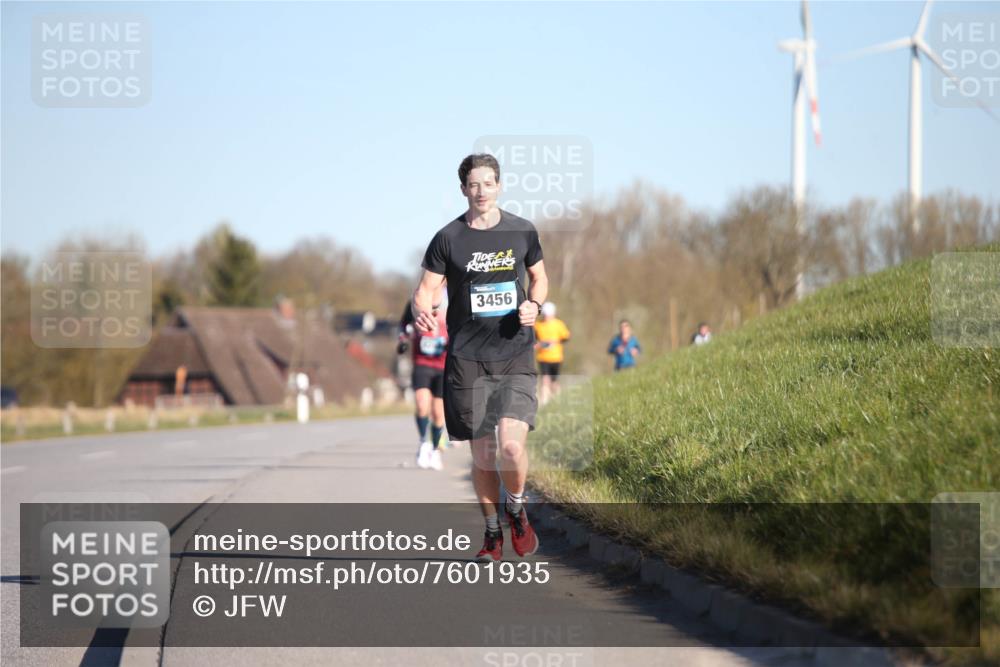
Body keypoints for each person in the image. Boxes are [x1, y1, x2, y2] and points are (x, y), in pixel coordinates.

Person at [412, 153, 547, 562]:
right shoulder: (448, 238)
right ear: (463, 189)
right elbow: (426, 289)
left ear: (499, 185)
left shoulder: (522, 231)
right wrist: (422, 306)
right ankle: (492, 532)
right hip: (467, 360)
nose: (481, 191)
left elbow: (539, 277)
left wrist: (535, 306)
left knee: (510, 448)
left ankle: (517, 508)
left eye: (488, 183)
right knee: (484, 454)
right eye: (474, 184)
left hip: (514, 354)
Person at [399, 294, 449, 470]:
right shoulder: (418, 298)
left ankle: (435, 449)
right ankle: (423, 443)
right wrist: (403, 339)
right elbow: (404, 324)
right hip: (422, 363)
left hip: (444, 365)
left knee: (438, 413)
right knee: (422, 404)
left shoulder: (454, 294)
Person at [534, 301, 570, 406]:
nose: (547, 317)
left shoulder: (559, 324)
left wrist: (555, 341)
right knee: (545, 380)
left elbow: (566, 337)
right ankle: (544, 402)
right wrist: (539, 345)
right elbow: (533, 341)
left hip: (556, 357)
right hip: (542, 357)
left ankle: (557, 402)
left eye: (548, 315)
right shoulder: (538, 325)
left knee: (554, 382)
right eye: (545, 315)